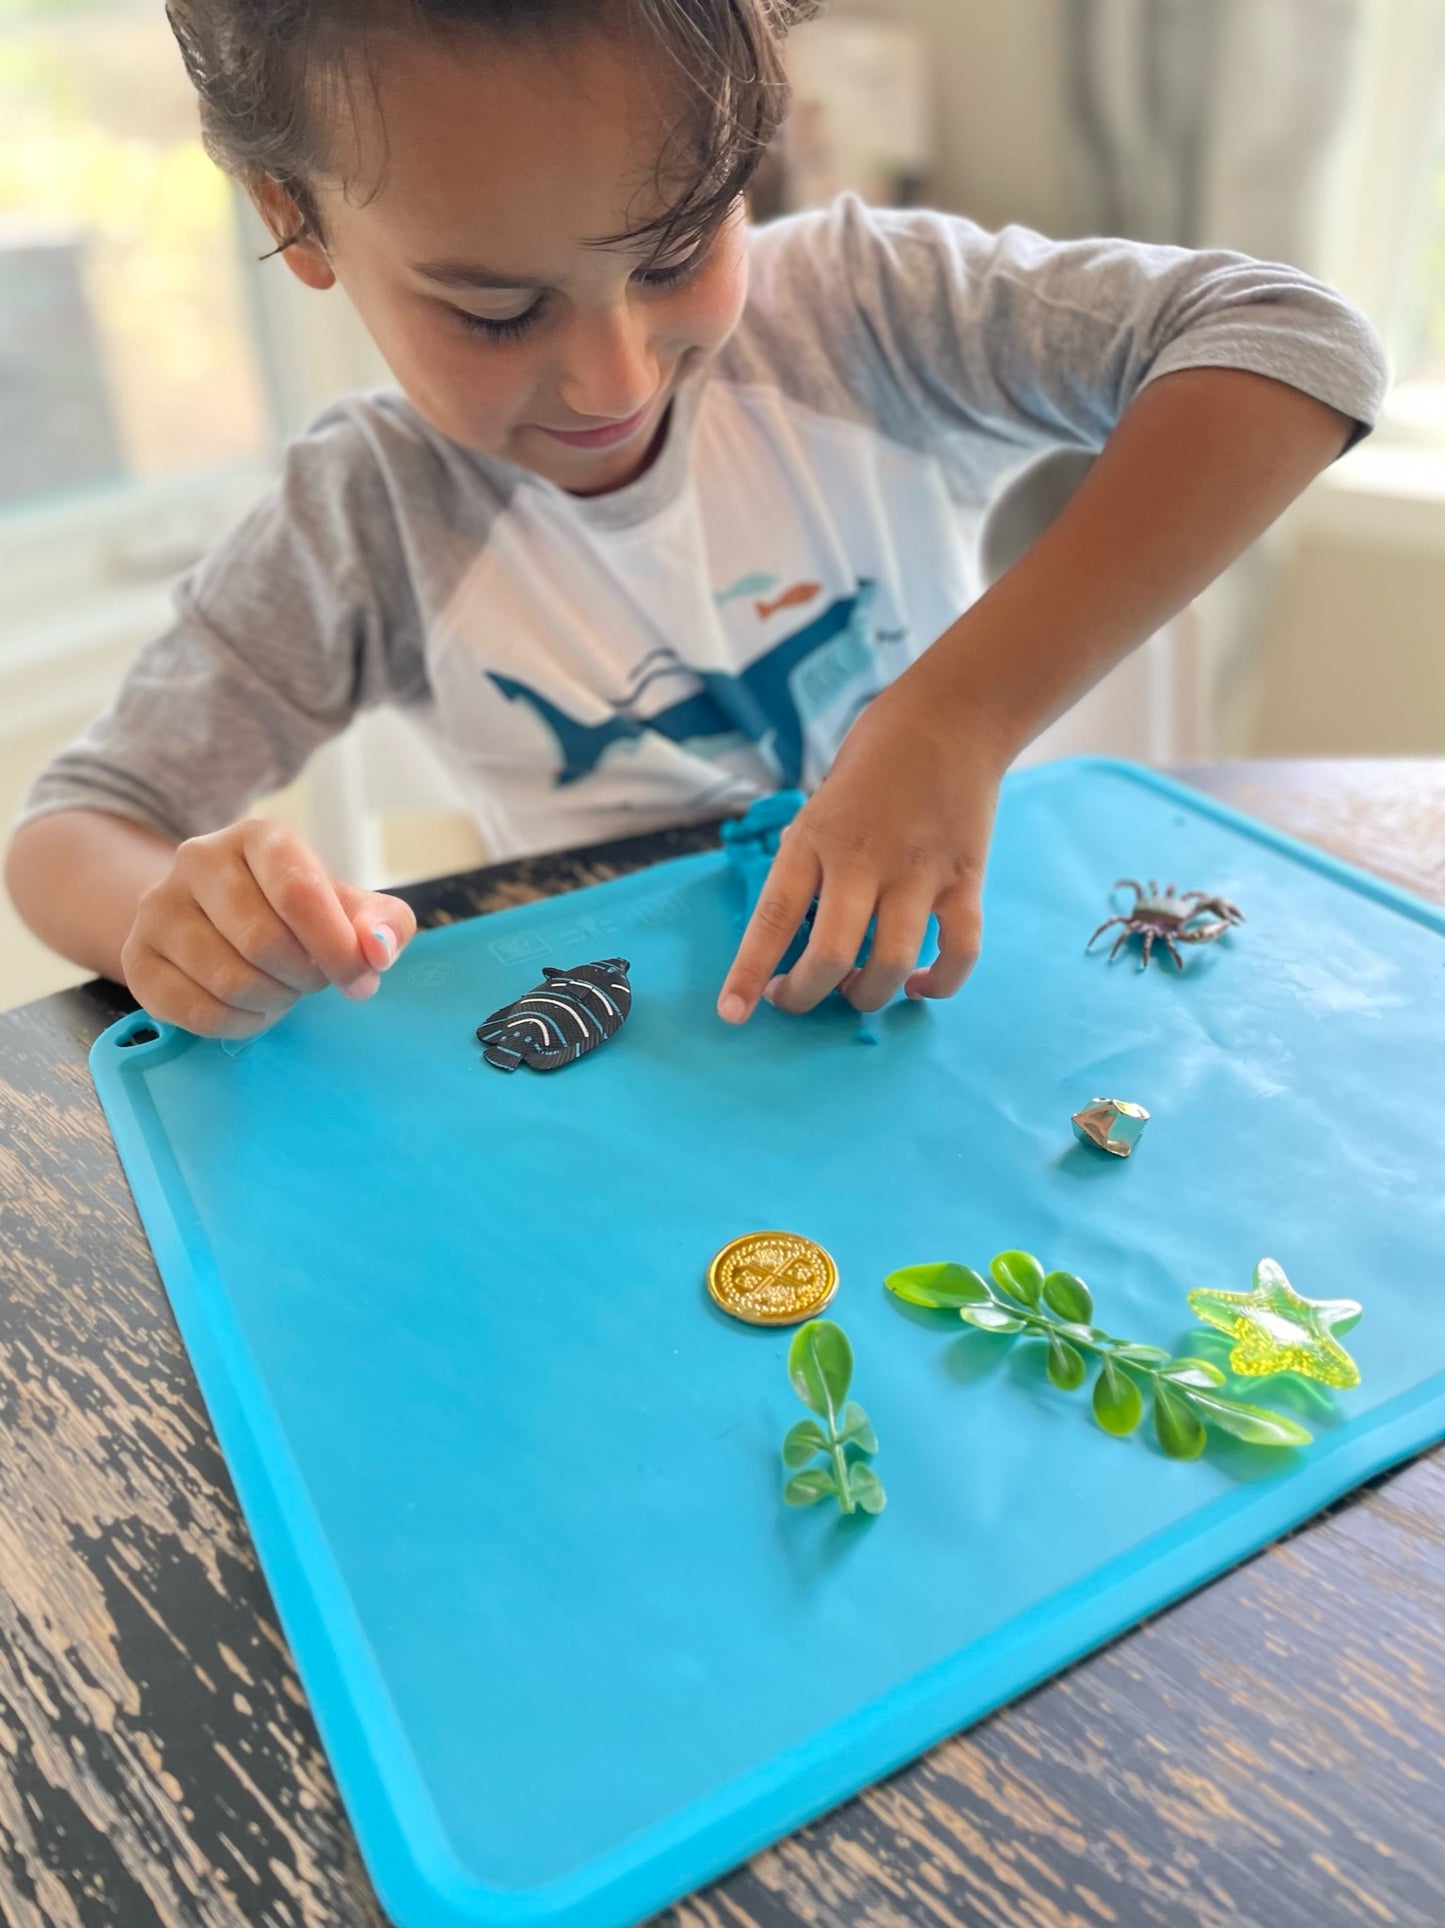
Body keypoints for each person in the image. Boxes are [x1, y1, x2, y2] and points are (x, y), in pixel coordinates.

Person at [4, 0, 1386, 1040]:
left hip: (960, 1004)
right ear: (295, 221)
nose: (613, 378)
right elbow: (77, 826)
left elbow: (1292, 342)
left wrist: (951, 715)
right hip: (636, 1055)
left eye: (676, 250)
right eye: (494, 309)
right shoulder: (363, 515)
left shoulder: (865, 315)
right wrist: (173, 922)